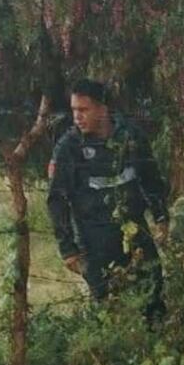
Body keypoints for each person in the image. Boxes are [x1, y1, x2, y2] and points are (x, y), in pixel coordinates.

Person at [47, 79, 169, 321]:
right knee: (110, 313)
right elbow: (57, 199)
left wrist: (161, 216)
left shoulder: (131, 137)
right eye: (73, 110)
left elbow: (151, 177)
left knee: (152, 300)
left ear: (102, 109)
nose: (77, 117)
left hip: (136, 234)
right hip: (95, 243)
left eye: (83, 110)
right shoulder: (69, 148)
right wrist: (68, 249)